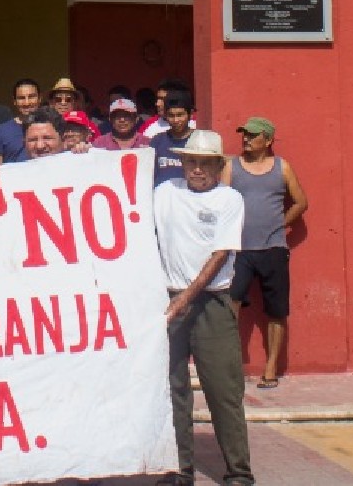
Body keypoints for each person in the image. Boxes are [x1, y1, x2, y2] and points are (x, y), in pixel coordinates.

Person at [153, 129, 254, 486]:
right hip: (167, 298)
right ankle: (180, 469)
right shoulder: (165, 193)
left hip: (210, 302)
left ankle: (239, 473)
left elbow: (220, 254)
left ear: (217, 165)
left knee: (223, 391)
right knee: (172, 390)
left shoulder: (229, 200)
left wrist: (184, 299)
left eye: (205, 163)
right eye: (191, 162)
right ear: (182, 162)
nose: (197, 170)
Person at [224, 117, 309, 390]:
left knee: (276, 310)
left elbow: (301, 202)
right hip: (240, 250)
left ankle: (270, 367)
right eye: (244, 135)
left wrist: (282, 223)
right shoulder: (231, 166)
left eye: (252, 135)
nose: (246, 139)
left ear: (268, 140)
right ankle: (231, 366)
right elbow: (222, 201)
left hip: (273, 249)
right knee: (230, 305)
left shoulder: (282, 168)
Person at [0, 78, 42, 165]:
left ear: (39, 99)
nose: (26, 103)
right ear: (14, 101)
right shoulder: (2, 131)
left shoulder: (50, 127)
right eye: (21, 98)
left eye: (31, 97)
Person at [150, 90, 196, 186]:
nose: (176, 120)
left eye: (180, 115)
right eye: (171, 115)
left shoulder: (199, 140)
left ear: (190, 114)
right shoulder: (157, 141)